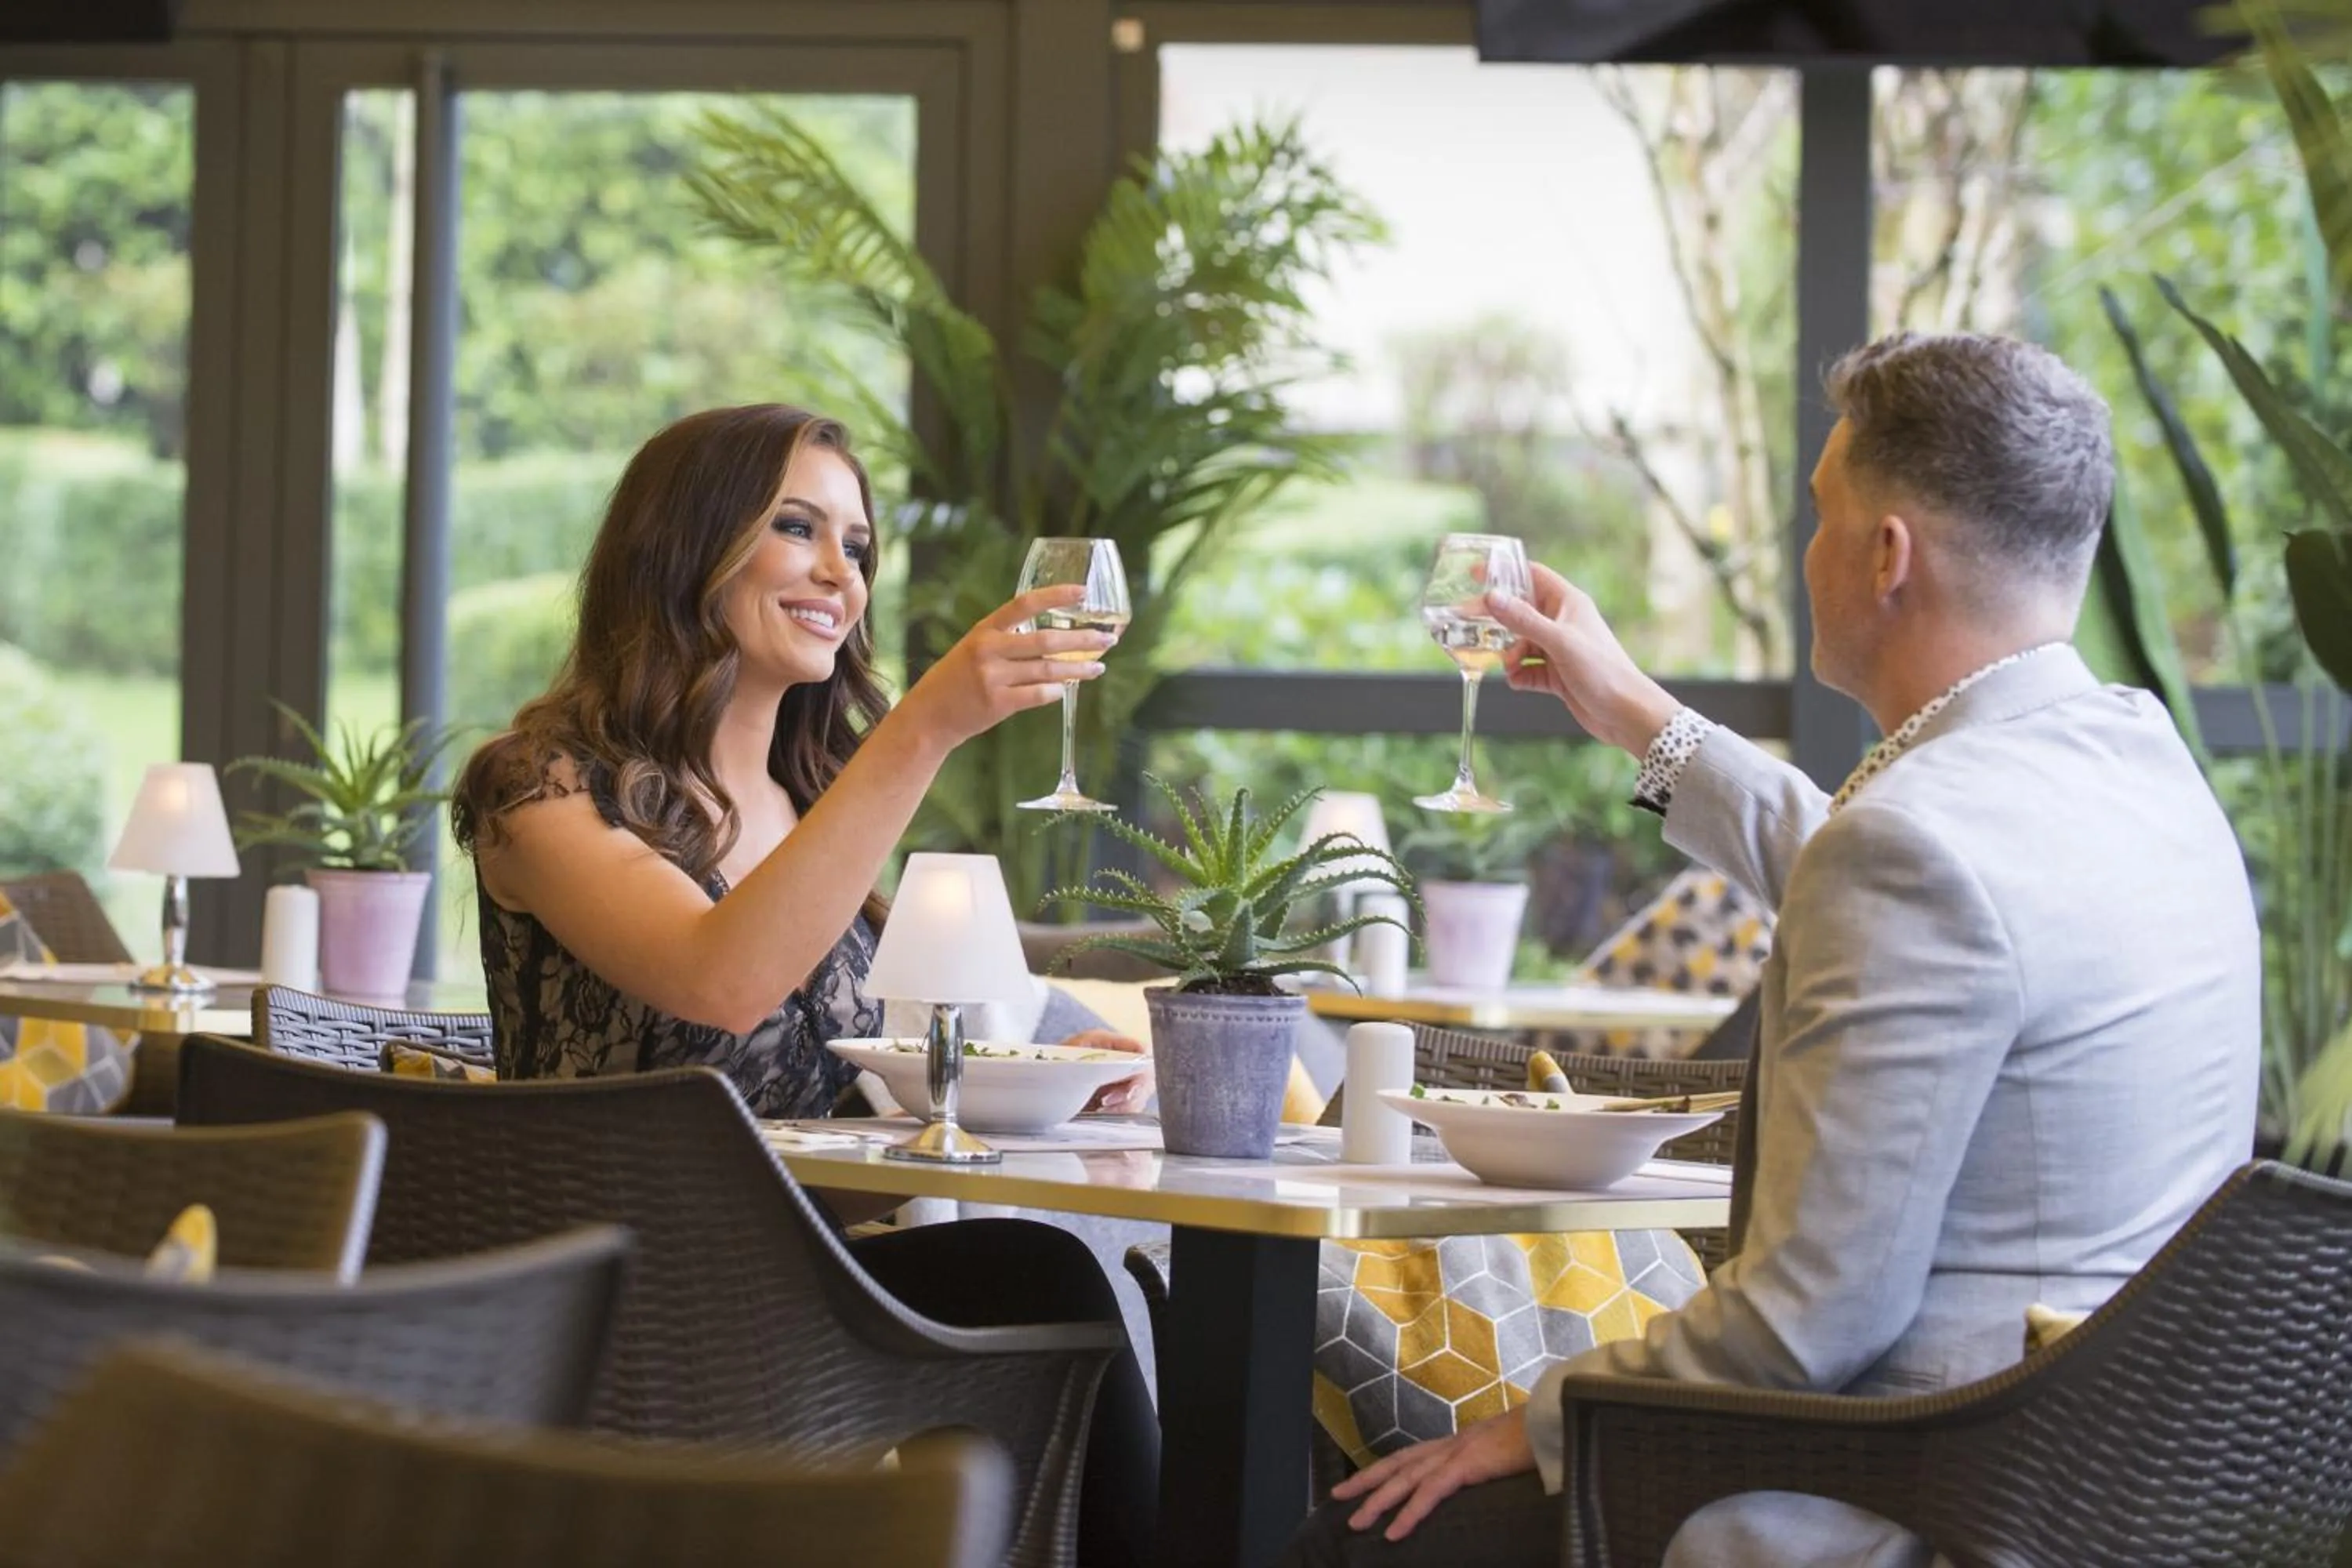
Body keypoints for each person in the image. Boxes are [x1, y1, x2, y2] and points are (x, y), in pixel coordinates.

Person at [1283, 332, 2260, 1567]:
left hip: (1908, 1500)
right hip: (2116, 1498)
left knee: (1349, 1543)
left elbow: (1808, 1326)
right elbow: (1901, 889)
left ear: (1886, 554)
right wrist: (1635, 712)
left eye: (1819, 514)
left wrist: (1539, 1418)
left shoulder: (1922, 849)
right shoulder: (2138, 772)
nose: (1808, 554)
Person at [450, 402, 1156, 1564]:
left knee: (1061, 1281)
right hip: (627, 1306)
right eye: (797, 527)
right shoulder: (541, 790)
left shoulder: (812, 801)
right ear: (685, 546)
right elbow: (720, 981)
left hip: (802, 1285)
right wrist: (927, 726)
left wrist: (1026, 1076)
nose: (842, 571)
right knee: (1039, 1275)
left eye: (860, 546)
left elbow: (866, 1076)